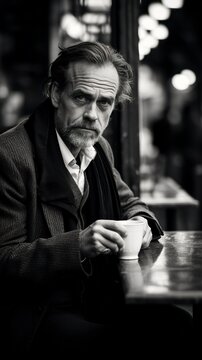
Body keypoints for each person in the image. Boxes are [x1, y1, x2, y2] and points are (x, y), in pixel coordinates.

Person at [0, 41, 192, 358]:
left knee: (178, 323)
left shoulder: (98, 149)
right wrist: (78, 245)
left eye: (104, 103)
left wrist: (142, 224)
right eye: (81, 98)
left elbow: (131, 203)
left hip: (97, 296)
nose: (92, 115)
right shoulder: (10, 156)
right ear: (54, 92)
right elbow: (4, 259)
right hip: (38, 314)